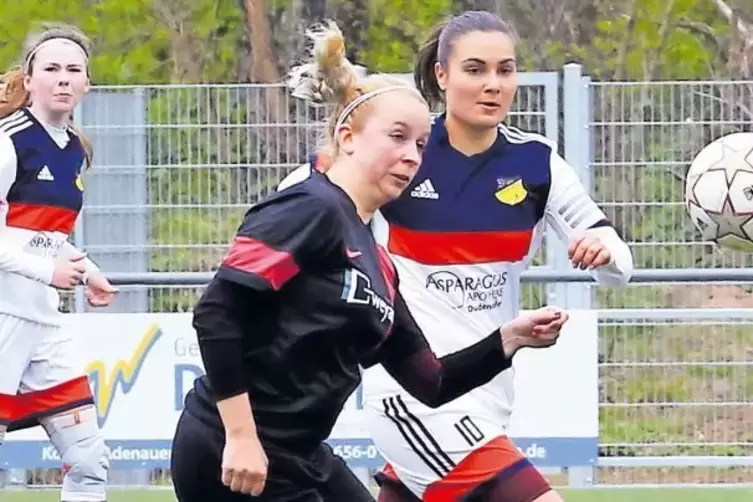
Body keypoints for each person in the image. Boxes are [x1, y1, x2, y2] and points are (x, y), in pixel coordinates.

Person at [170, 21, 569, 502]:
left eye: (420, 145)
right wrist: (240, 435)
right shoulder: (311, 206)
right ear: (349, 137)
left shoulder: (378, 263)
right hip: (229, 450)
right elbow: (216, 313)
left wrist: (510, 338)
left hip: (301, 455)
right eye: (397, 137)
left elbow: (432, 380)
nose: (410, 156)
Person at [279, 11, 634, 502]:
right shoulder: (405, 151)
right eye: (475, 69)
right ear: (441, 76)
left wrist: (604, 252)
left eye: (504, 70)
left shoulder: (536, 162)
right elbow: (293, 201)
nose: (492, 84)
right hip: (414, 397)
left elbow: (618, 265)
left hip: (486, 392)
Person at [0, 24, 117, 502]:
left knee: (89, 461)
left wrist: (85, 268)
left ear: (87, 83)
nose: (62, 78)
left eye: (73, 69)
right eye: (50, 68)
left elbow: (45, 236)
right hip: (3, 317)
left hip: (43, 324)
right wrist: (49, 272)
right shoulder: (8, 140)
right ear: (28, 80)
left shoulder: (73, 149)